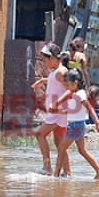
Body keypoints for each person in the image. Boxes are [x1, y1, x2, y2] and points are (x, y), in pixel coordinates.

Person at [49, 68, 99, 180]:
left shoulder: (80, 95)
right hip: (78, 126)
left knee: (61, 148)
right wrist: (56, 111)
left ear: (75, 83)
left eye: (67, 85)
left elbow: (90, 109)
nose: (66, 88)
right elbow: (70, 111)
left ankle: (55, 174)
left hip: (75, 126)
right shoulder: (77, 94)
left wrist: (98, 124)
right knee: (82, 151)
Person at [31, 43, 71, 176]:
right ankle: (67, 172)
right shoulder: (57, 71)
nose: (44, 63)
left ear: (53, 58)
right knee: (59, 142)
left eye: (45, 60)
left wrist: (58, 104)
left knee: (39, 134)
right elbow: (56, 81)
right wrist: (43, 80)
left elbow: (70, 89)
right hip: (58, 113)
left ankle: (47, 167)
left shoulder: (61, 71)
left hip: (57, 112)